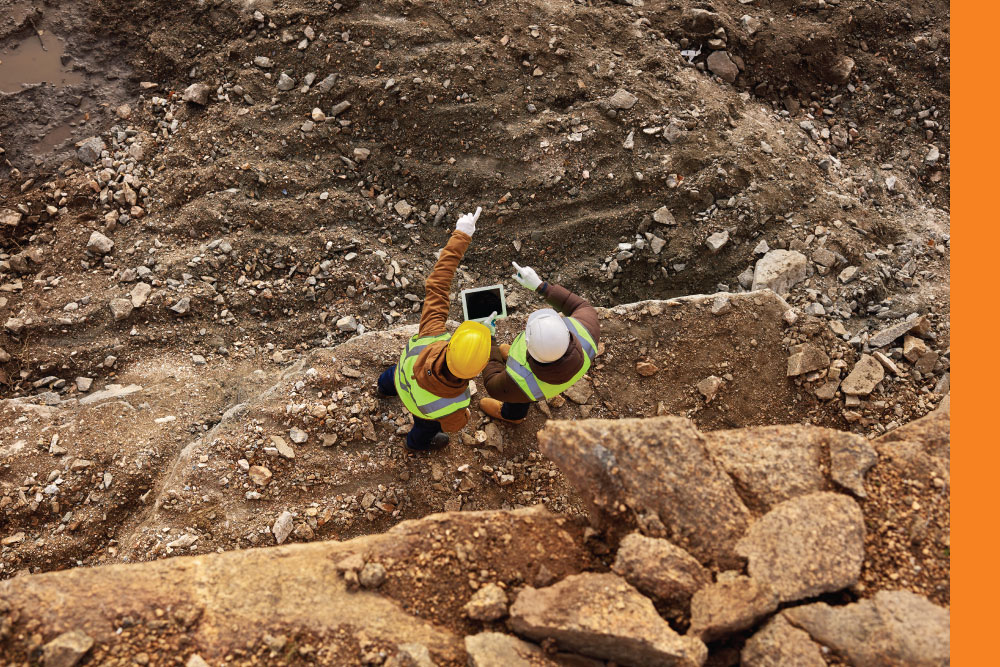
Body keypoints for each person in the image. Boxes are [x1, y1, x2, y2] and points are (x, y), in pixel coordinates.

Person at [377, 208, 492, 451]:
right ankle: (415, 446)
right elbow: (453, 425)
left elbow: (438, 282)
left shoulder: (432, 334)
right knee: (425, 430)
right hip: (421, 411)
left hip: (401, 378)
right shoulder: (458, 401)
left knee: (390, 378)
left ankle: (384, 389)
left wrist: (462, 234)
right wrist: (466, 418)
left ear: (452, 344)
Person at [480, 262, 600, 423]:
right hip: (560, 375)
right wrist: (541, 286)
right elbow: (579, 305)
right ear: (565, 331)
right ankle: (512, 362)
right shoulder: (587, 333)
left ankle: (513, 416)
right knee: (522, 391)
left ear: (527, 345)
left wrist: (490, 340)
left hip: (527, 389)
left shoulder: (520, 381)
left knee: (518, 400)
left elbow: (492, 382)